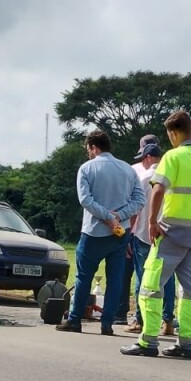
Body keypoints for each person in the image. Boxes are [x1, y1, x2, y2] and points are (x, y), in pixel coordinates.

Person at [122, 110, 191, 359]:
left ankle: (148, 341)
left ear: (173, 133)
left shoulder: (173, 157)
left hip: (171, 233)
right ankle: (187, 344)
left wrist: (152, 222)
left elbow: (158, 190)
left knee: (150, 285)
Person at [56, 129, 145, 336]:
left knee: (84, 277)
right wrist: (118, 216)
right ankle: (107, 323)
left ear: (93, 148)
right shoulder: (128, 169)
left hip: (93, 232)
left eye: (88, 150)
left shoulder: (87, 168)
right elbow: (139, 201)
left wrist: (106, 216)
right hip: (120, 232)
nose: (89, 153)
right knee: (115, 278)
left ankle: (75, 319)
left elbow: (85, 200)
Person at [127, 136, 177, 336]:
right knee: (168, 278)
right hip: (168, 233)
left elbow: (135, 209)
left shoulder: (144, 178)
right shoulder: (173, 177)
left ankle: (140, 320)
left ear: (148, 158)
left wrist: (130, 233)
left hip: (143, 234)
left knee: (142, 278)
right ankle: (167, 321)